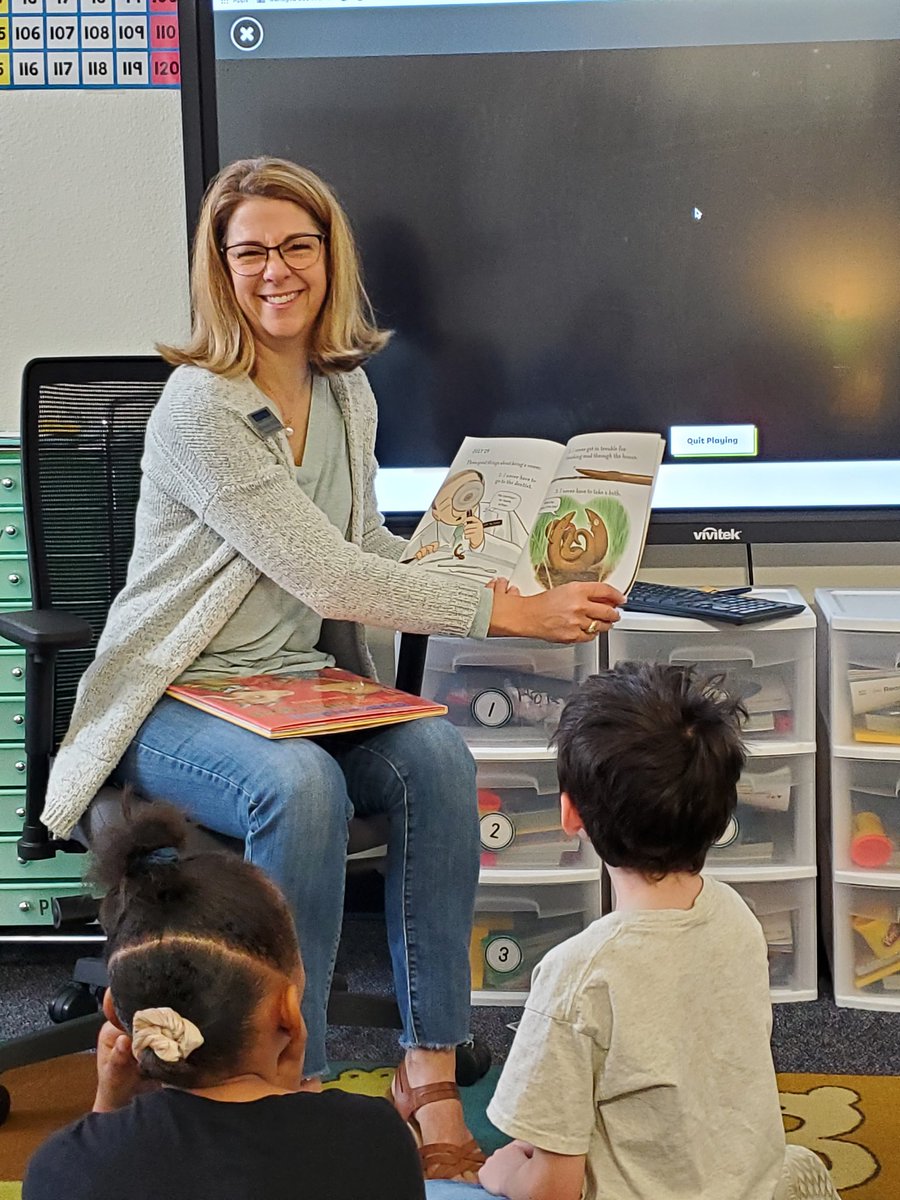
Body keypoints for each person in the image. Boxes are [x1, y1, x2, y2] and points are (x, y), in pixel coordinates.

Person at [37, 157, 624, 1179]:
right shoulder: (198, 408)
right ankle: (282, 1077)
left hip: (297, 682)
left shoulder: (344, 391)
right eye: (250, 251)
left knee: (437, 755)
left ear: (328, 257)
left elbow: (364, 544)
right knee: (301, 787)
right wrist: (508, 610)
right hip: (182, 693)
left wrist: (486, 560)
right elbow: (324, 572)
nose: (277, 270)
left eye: (297, 247)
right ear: (219, 270)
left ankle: (427, 1066)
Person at [426, 662, 839, 1200]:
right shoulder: (738, 917)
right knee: (796, 1160)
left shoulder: (577, 975)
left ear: (569, 814)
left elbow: (552, 1188)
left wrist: (501, 1173)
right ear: (722, 811)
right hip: (744, 1183)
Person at [23, 803, 426, 1200]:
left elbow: (93, 1172)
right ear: (286, 1013)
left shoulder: (60, 1166)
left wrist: (107, 1111)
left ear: (113, 1011)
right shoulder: (376, 1137)